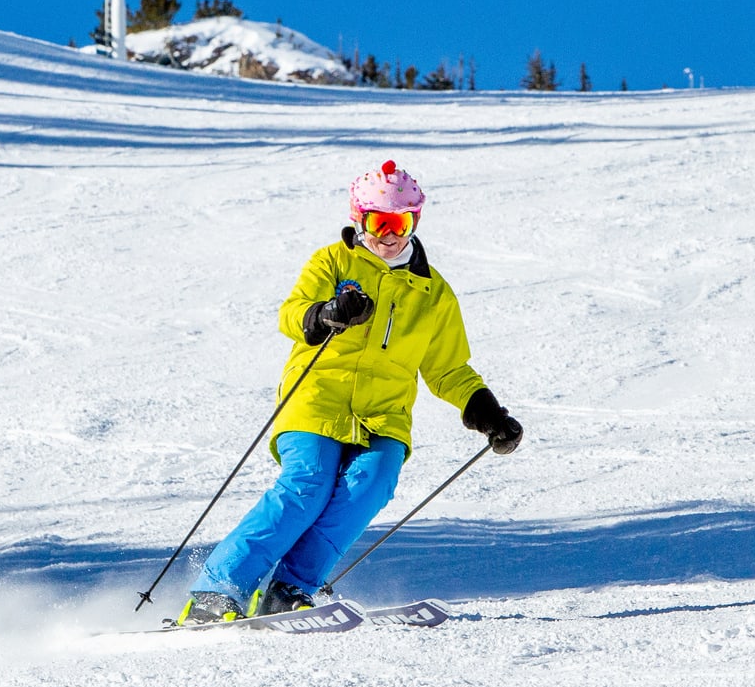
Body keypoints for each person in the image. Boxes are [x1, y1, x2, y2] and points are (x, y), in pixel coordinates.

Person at [178, 161, 524, 625]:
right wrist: (326, 314)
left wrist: (486, 411)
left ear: (413, 223)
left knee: (373, 484)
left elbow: (448, 367)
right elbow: (291, 314)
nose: (388, 236)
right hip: (316, 400)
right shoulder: (333, 262)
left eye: (398, 224)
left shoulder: (432, 293)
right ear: (360, 220)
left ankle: (290, 590)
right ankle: (218, 591)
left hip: (383, 416)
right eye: (378, 223)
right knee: (308, 485)